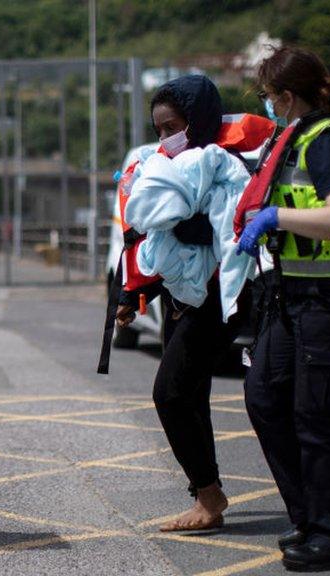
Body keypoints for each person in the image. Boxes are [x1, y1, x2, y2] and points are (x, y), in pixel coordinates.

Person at [237, 46, 330, 572]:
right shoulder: (299, 134)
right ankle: (311, 513)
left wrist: (275, 215)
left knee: (319, 417)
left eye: (269, 97)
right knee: (266, 395)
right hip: (294, 291)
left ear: (288, 95)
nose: (268, 105)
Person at [116, 75, 262, 532]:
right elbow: (158, 238)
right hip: (180, 298)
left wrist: (192, 228)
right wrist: (134, 292)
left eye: (172, 126)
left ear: (197, 120)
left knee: (170, 393)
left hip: (218, 299)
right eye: (158, 129)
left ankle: (208, 494)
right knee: (192, 395)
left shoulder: (227, 165)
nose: (165, 137)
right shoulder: (168, 167)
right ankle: (207, 493)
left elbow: (230, 230)